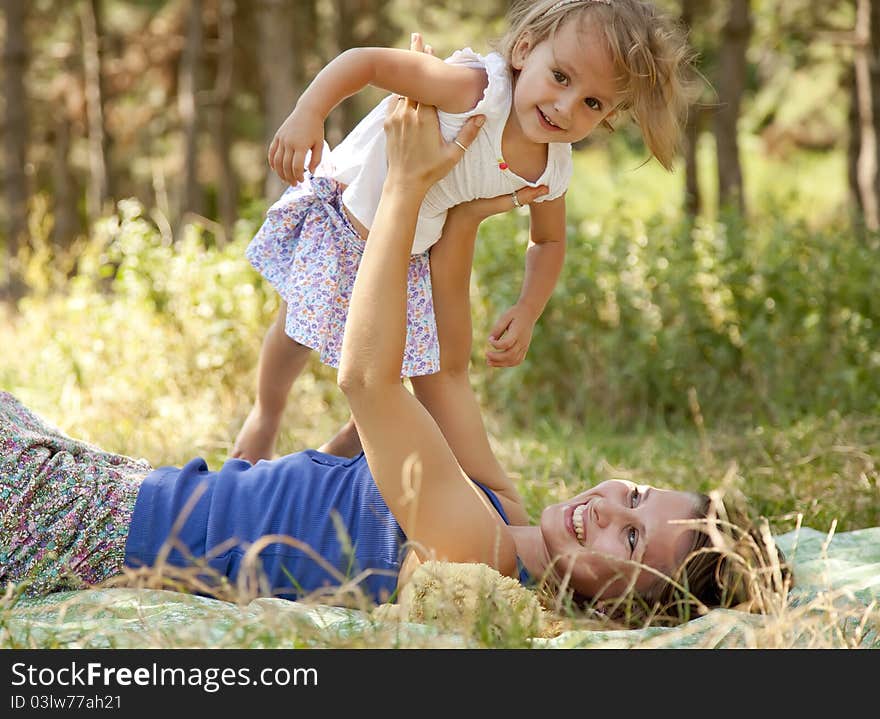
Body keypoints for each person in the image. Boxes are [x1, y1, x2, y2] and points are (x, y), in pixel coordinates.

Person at [0, 99, 787, 628]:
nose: (610, 508)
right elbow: (438, 374)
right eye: (638, 495)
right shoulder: (505, 514)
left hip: (94, 528)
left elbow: (369, 380)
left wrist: (408, 186)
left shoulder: (472, 553)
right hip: (129, 483)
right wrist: (468, 210)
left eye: (633, 539)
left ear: (623, 610)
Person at [233, 0, 698, 463]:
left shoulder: (552, 167)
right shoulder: (475, 91)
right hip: (349, 223)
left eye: (592, 103)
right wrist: (307, 113)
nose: (565, 107)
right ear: (523, 50)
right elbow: (367, 62)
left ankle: (328, 461)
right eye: (560, 76)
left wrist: (529, 307)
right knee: (295, 332)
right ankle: (265, 417)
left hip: (409, 262)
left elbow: (550, 240)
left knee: (395, 374)